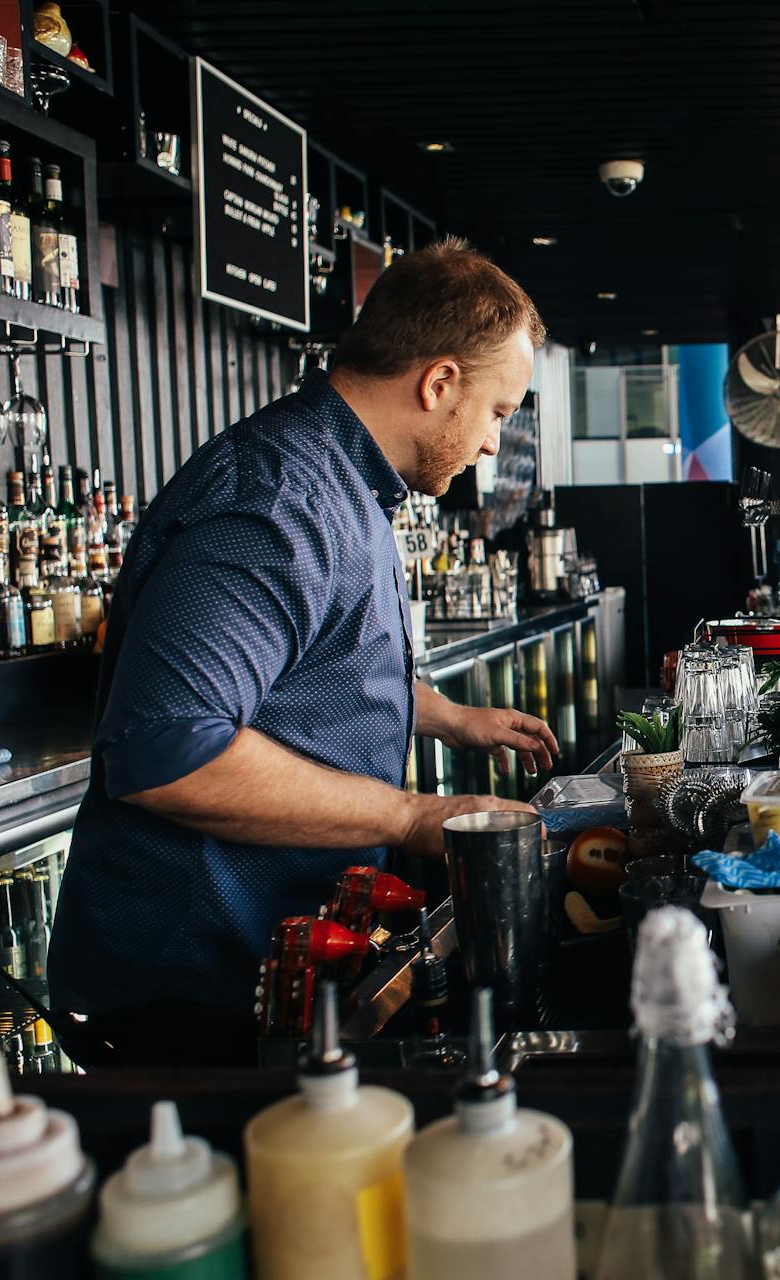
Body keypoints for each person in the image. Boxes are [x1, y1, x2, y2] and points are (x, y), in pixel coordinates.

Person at [47, 238, 559, 1066]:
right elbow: (167, 752)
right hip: (188, 990)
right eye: (499, 413)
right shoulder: (278, 499)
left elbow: (322, 664)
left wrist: (447, 717)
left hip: (276, 967)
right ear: (439, 384)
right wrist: (415, 816)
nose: (496, 444)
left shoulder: (344, 482)